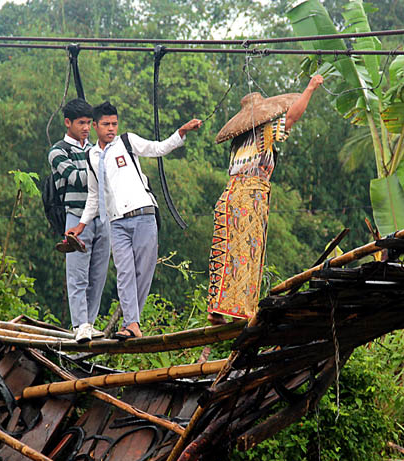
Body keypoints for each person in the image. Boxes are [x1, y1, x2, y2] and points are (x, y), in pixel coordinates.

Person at [69, 101, 202, 340]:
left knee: (143, 271)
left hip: (143, 214)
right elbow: (93, 195)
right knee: (125, 273)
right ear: (96, 126)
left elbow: (158, 148)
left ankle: (133, 323)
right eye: (106, 124)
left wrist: (180, 133)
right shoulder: (91, 155)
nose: (111, 128)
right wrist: (81, 224)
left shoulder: (127, 142)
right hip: (117, 222)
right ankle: (131, 323)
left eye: (114, 124)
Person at [207, 75, 324, 325]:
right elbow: (292, 117)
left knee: (234, 250)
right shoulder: (264, 132)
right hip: (247, 196)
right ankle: (236, 310)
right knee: (245, 252)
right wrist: (311, 88)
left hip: (236, 196)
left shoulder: (239, 142)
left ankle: (224, 309)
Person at [48, 98, 110, 343]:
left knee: (98, 275)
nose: (86, 127)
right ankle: (79, 324)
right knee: (77, 275)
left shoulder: (94, 149)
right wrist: (102, 170)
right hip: (76, 216)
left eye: (88, 123)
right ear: (68, 123)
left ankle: (90, 323)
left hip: (101, 216)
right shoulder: (58, 150)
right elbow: (75, 178)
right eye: (81, 123)